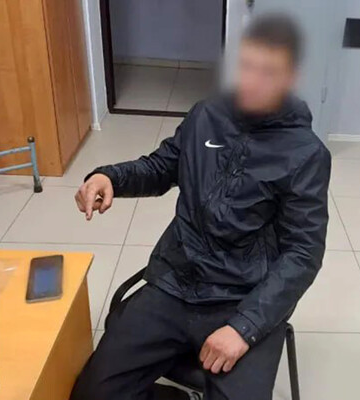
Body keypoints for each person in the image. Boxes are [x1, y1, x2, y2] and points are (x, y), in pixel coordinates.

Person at [72, 13, 331, 400]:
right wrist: (110, 177)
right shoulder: (206, 115)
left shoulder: (306, 154)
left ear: (291, 78)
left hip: (243, 296)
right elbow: (162, 167)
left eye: (268, 73)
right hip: (177, 280)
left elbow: (303, 253)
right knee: (92, 394)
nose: (252, 82)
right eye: (246, 67)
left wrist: (244, 328)